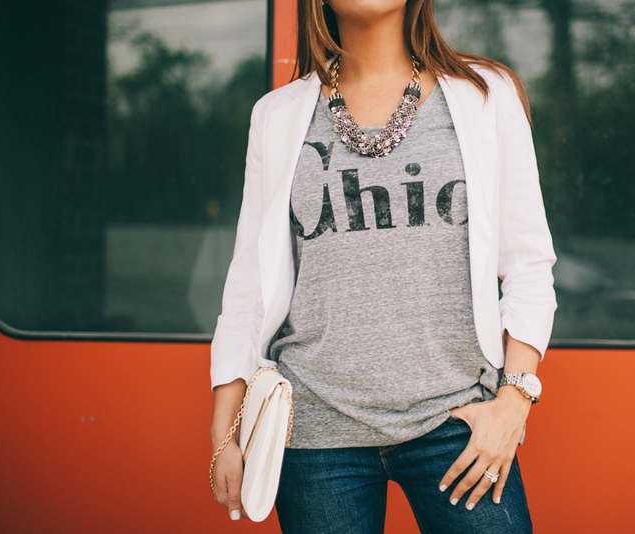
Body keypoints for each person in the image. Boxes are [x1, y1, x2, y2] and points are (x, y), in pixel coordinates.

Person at [209, 0, 556, 532]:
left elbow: (530, 263)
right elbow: (248, 287)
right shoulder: (275, 117)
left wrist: (513, 403)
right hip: (317, 434)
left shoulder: (486, 95)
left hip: (456, 421)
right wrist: (223, 434)